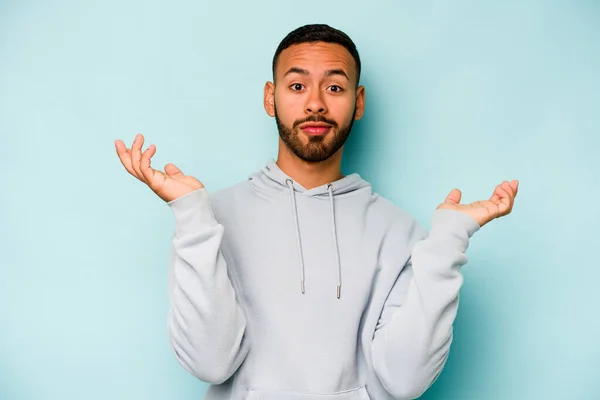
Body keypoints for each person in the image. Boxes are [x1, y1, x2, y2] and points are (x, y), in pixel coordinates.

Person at [115, 24, 518, 400]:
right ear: (270, 97)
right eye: (297, 85)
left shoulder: (400, 232)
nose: (315, 104)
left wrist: (448, 240)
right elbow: (210, 362)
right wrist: (190, 215)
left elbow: (405, 379)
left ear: (357, 102)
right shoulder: (208, 219)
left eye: (335, 88)